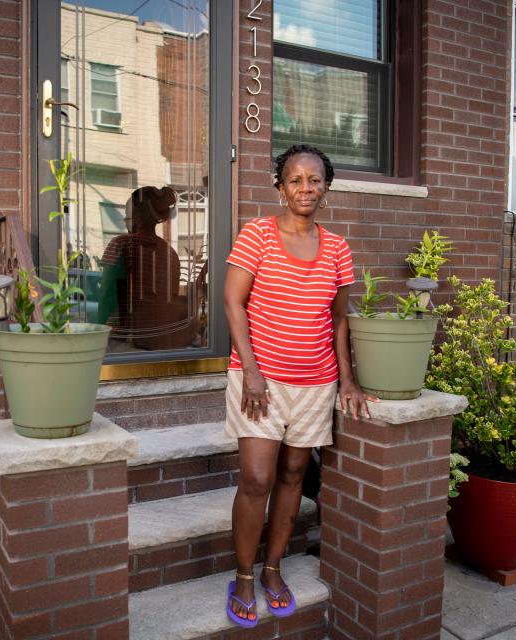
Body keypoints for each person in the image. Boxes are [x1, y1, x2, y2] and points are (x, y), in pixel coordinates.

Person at [223, 144, 375, 627]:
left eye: (314, 180)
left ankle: (273, 569)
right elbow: (232, 303)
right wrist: (250, 369)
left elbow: (338, 321)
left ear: (326, 187)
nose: (305, 188)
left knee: (292, 476)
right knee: (256, 478)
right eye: (295, 180)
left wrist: (347, 380)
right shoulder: (257, 235)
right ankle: (244, 574)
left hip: (315, 382)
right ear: (280, 186)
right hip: (259, 381)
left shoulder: (337, 247)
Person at [98, 185, 202, 350]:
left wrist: (97, 332)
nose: (125, 221)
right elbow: (168, 301)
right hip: (158, 344)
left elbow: (106, 298)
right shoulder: (170, 253)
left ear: (136, 217)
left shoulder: (121, 245)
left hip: (124, 341)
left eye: (127, 216)